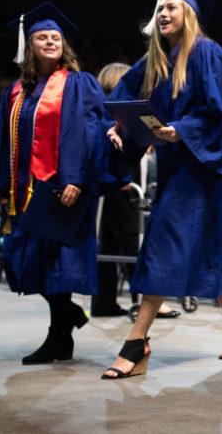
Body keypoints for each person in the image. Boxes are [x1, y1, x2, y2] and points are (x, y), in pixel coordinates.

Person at [102, 0, 222, 379]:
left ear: (189, 15)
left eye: (171, 7)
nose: (163, 13)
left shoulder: (207, 54)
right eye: (159, 8)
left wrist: (182, 129)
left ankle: (137, 342)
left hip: (202, 166)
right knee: (213, 246)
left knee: (161, 241)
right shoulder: (155, 59)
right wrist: (118, 124)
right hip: (176, 166)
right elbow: (126, 95)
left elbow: (220, 112)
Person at [0, 2, 109, 363]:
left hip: (61, 189)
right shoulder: (17, 91)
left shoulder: (79, 83)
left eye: (55, 37)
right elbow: (0, 139)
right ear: (29, 46)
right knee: (28, 263)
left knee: (58, 266)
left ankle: (58, 338)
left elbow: (89, 133)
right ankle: (67, 321)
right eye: (41, 37)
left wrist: (76, 178)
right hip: (24, 192)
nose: (50, 42)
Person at [90, 62, 141, 317]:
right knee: (132, 240)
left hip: (106, 187)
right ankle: (140, 300)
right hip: (118, 185)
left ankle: (103, 302)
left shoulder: (102, 110)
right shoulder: (115, 114)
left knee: (108, 244)